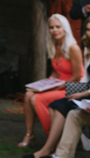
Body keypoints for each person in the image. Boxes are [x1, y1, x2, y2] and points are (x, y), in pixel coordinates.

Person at [25, 18, 90, 158]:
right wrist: (44, 84)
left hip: (74, 86)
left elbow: (78, 77)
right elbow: (55, 72)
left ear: (65, 28)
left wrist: (79, 92)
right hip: (79, 90)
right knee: (31, 95)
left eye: (57, 27)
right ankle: (39, 140)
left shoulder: (74, 48)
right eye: (51, 27)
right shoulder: (58, 45)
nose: (54, 30)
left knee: (40, 99)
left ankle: (52, 146)